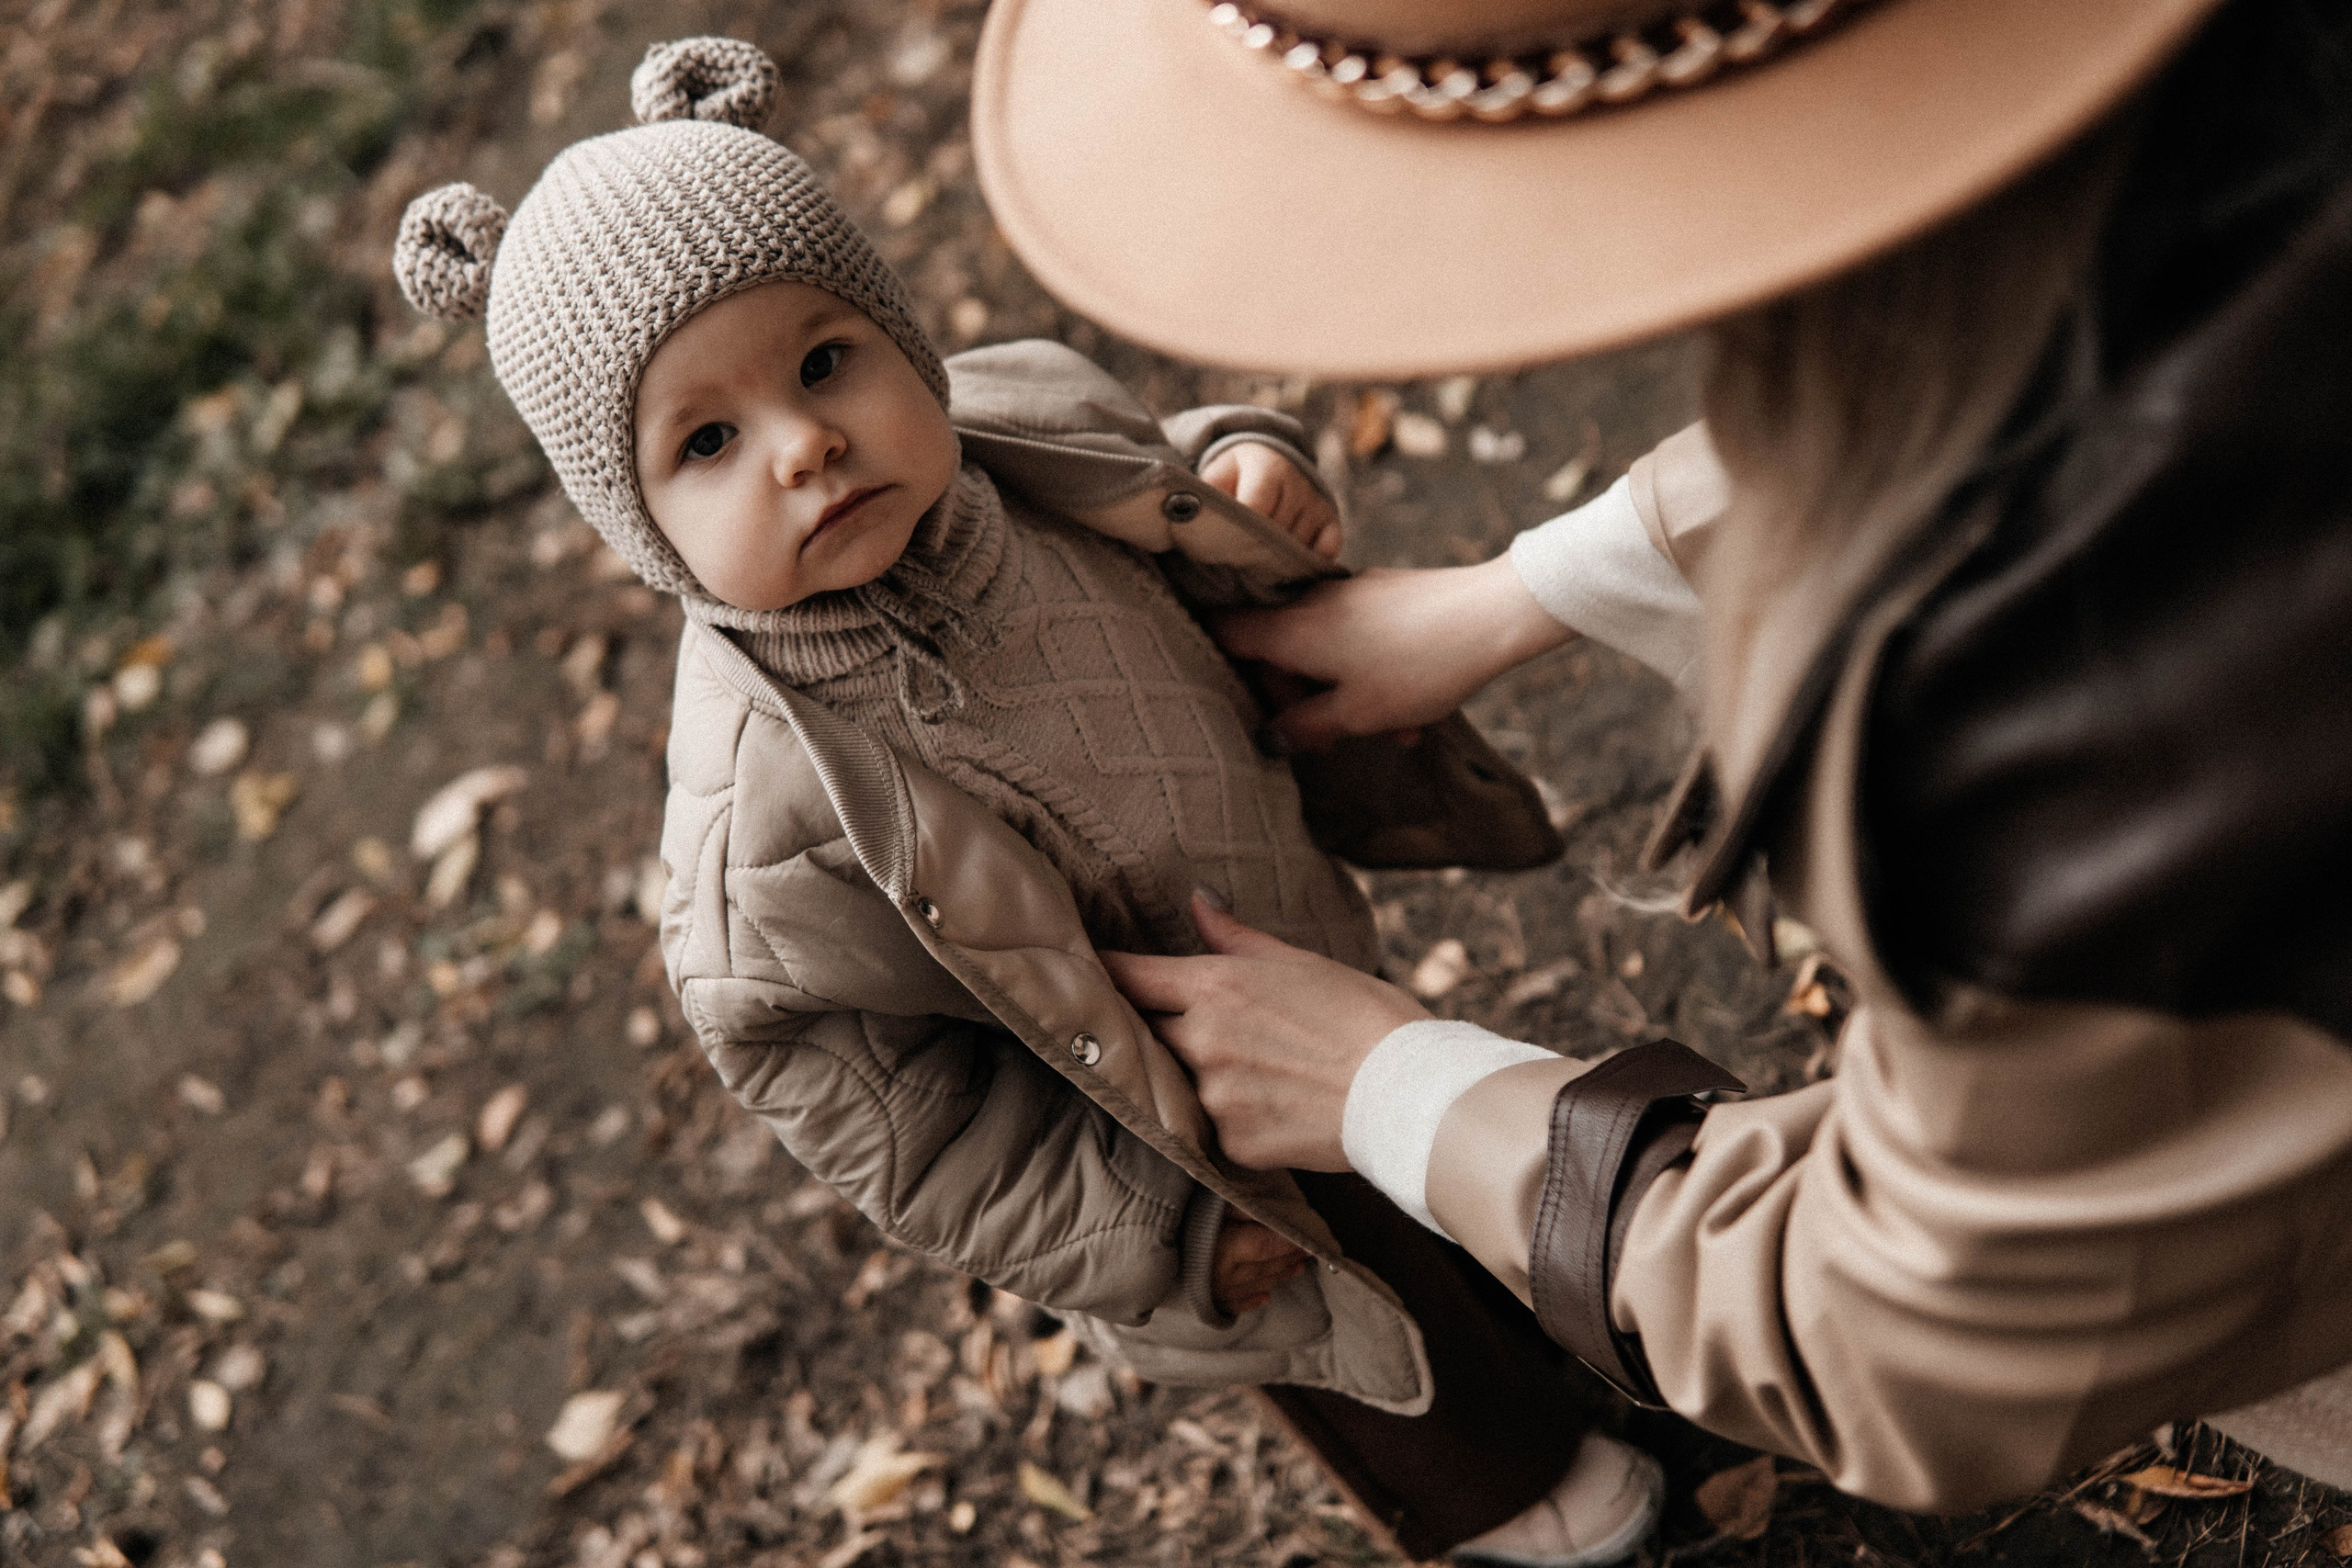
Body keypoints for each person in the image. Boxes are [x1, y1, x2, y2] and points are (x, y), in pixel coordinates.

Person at [972, 0, 2352, 1517]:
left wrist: (1397, 1087)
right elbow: (2054, 311)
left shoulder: (2049, 704)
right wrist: (1541, 590)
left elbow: (1918, 1337)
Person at [390, 37, 1668, 1566]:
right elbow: (888, 1113)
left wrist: (1249, 464)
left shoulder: (1017, 423)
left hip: (1304, 938)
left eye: (823, 362)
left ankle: (1585, 1324)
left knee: (1446, 1164)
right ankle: (1499, 1495)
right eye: (709, 442)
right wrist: (1163, 1232)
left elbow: (1163, 469)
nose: (806, 444)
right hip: (1183, 1140)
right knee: (1370, 1328)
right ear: (642, 529)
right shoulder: (767, 832)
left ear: (901, 338)